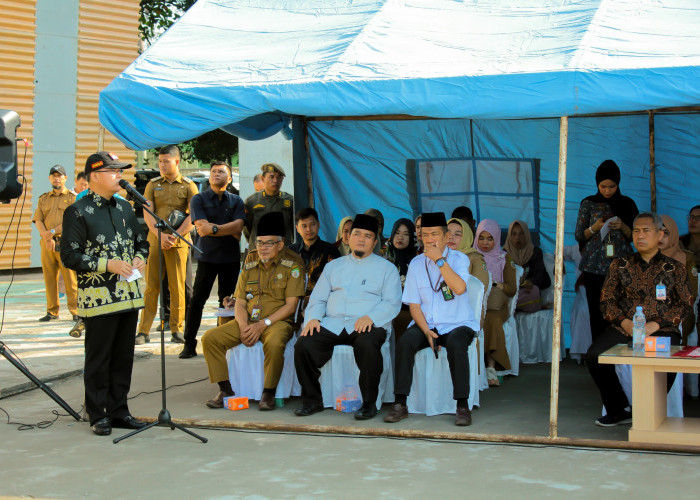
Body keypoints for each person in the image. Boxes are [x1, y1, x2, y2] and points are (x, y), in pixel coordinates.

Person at [60, 151, 150, 436]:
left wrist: (140, 257)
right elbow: (69, 256)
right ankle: (98, 414)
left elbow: (141, 241)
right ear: (95, 177)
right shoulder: (77, 210)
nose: (119, 176)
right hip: (99, 298)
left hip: (129, 295)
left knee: (123, 356)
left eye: (120, 171)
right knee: (99, 358)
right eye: (113, 171)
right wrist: (106, 264)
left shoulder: (125, 208)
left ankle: (120, 411)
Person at [585, 212, 693, 427]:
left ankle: (651, 410)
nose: (640, 235)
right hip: (626, 328)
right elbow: (606, 301)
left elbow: (685, 304)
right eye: (636, 231)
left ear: (660, 234)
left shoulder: (674, 268)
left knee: (668, 360)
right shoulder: (619, 265)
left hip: (660, 329)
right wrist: (624, 322)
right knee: (595, 356)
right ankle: (619, 409)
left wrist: (657, 324)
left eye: (646, 230)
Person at [294, 214, 402, 420]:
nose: (361, 239)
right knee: (303, 345)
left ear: (375, 241)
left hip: (367, 324)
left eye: (368, 236)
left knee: (368, 345)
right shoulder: (334, 266)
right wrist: (313, 319)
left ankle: (369, 403)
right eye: (357, 234)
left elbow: (392, 302)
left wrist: (371, 317)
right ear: (348, 237)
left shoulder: (387, 269)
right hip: (333, 323)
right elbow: (318, 299)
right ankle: (312, 400)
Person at [201, 212, 305, 410]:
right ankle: (226, 389)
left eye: (268, 243)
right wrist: (242, 326)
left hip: (277, 322)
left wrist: (262, 325)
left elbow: (291, 306)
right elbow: (239, 302)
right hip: (248, 320)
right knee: (210, 338)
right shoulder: (250, 261)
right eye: (259, 243)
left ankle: (268, 392)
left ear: (281, 244)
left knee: (274, 342)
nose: (262, 248)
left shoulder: (293, 264)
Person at [384, 212, 478, 426]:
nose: (429, 239)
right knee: (405, 342)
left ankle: (462, 406)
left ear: (445, 237)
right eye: (425, 234)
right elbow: (414, 305)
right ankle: (400, 403)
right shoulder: (416, 264)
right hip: (427, 322)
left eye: (434, 234)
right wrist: (426, 331)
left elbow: (460, 288)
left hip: (458, 323)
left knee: (456, 344)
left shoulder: (459, 259)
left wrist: (439, 260)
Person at [179, 161, 245, 359]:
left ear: (230, 178)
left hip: (230, 258)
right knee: (197, 301)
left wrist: (214, 229)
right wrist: (227, 229)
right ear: (209, 177)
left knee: (228, 302)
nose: (217, 174)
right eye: (214, 171)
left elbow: (239, 227)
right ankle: (189, 344)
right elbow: (201, 227)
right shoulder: (198, 199)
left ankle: (224, 342)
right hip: (207, 257)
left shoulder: (237, 201)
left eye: (222, 172)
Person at [135, 145, 198, 345]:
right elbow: (147, 213)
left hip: (178, 243)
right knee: (151, 286)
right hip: (156, 240)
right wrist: (160, 235)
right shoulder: (152, 185)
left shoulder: (189, 186)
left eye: (166, 161)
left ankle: (176, 330)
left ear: (177, 162)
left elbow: (194, 216)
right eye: (160, 161)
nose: (162, 165)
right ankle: (143, 331)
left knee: (177, 287)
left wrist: (176, 236)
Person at [575, 160, 638, 340]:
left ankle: (621, 355)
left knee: (621, 308)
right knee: (596, 310)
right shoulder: (588, 203)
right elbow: (579, 235)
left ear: (618, 184)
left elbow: (636, 237)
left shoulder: (627, 203)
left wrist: (623, 226)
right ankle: (599, 355)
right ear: (597, 184)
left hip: (621, 266)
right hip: (594, 267)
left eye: (612, 186)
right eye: (603, 186)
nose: (608, 191)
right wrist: (595, 227)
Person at [32, 164, 78, 322]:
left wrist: (51, 233)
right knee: (49, 278)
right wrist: (46, 236)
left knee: (70, 278)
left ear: (65, 178)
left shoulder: (72, 198)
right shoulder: (43, 198)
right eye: (54, 175)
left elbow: (71, 222)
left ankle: (75, 310)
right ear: (49, 178)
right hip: (47, 244)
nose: (56, 178)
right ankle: (52, 311)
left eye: (60, 175)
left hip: (65, 243)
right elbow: (38, 219)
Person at [474, 219, 517, 387]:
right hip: (476, 305)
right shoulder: (471, 257)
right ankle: (475, 366)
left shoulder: (504, 258)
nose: (485, 242)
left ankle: (490, 366)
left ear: (497, 238)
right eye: (481, 238)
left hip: (496, 305)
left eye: (490, 238)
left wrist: (499, 285)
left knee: (491, 319)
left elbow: (512, 289)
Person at [288, 208, 341, 309]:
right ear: (297, 228)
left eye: (312, 224)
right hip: (294, 303)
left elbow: (337, 281)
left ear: (318, 224)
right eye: (304, 226)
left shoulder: (330, 250)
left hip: (324, 302)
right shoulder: (291, 251)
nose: (308, 229)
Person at [660, 214, 697, 344]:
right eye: (657, 232)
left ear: (673, 234)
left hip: (679, 311)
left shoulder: (686, 258)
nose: (661, 237)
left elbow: (691, 292)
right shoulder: (643, 258)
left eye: (666, 233)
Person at [503, 220, 551, 312]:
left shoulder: (535, 252)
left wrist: (530, 282)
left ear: (527, 235)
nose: (517, 238)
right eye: (514, 234)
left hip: (526, 292)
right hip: (510, 292)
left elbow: (539, 275)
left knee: (534, 291)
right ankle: (511, 305)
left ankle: (509, 306)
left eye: (521, 234)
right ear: (509, 236)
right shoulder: (503, 254)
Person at [244, 163, 295, 245]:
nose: (275, 181)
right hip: (260, 250)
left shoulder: (290, 201)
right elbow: (247, 229)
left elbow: (294, 227)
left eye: (279, 177)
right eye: (271, 177)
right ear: (263, 178)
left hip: (283, 250)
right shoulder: (251, 201)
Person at [383, 218, 417, 340]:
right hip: (386, 308)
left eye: (406, 234)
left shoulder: (418, 258)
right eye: (397, 233)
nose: (400, 238)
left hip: (411, 309)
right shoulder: (384, 255)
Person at [446, 217, 489, 289]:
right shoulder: (438, 256)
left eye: (457, 234)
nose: (450, 237)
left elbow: (481, 288)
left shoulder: (474, 258)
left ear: (466, 237)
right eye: (447, 233)